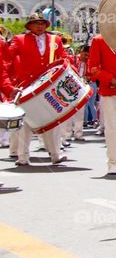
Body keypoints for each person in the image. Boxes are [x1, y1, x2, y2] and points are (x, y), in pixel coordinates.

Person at [1, 13, 68, 165]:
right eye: (36, 23)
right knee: (24, 123)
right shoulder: (20, 40)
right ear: (29, 26)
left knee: (54, 120)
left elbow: (63, 60)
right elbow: (6, 61)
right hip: (26, 87)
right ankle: (23, 156)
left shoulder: (55, 40)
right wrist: (9, 85)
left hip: (49, 86)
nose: (40, 26)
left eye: (42, 23)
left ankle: (56, 154)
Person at [88, 33, 116, 175]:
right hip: (110, 91)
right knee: (112, 129)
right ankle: (112, 163)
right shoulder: (98, 40)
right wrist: (110, 79)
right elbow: (93, 68)